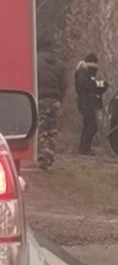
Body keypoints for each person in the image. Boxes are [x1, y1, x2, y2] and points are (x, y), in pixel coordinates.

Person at [37, 38, 66, 170]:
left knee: (42, 128)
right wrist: (60, 98)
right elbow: (64, 84)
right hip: (55, 99)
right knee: (52, 129)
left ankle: (43, 156)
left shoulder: (35, 61)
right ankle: (51, 156)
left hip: (41, 98)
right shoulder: (59, 63)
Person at [75, 53, 108, 155]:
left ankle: (84, 148)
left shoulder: (87, 74)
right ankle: (84, 149)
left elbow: (93, 88)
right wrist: (99, 84)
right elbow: (86, 85)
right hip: (85, 102)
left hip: (87, 102)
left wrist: (101, 86)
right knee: (91, 125)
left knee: (89, 125)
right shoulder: (82, 72)